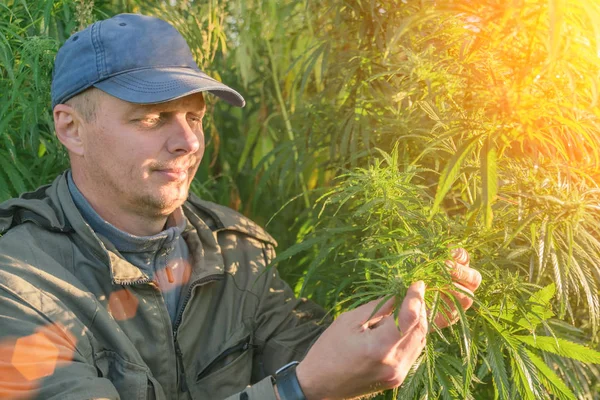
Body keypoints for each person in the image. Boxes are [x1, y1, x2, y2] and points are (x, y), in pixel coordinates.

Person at [0, 13, 481, 400]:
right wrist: (299, 391)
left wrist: (396, 321)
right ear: (70, 128)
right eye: (152, 119)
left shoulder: (235, 250)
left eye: (194, 116)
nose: (188, 141)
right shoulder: (17, 281)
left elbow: (316, 357)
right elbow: (310, 379)